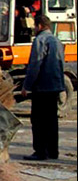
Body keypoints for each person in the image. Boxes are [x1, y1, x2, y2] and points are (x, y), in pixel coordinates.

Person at [20, 16, 65, 161]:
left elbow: (35, 65)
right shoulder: (56, 40)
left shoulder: (40, 40)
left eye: (34, 26)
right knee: (52, 120)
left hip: (42, 87)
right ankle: (53, 151)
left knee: (38, 121)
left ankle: (40, 152)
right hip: (54, 86)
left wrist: (27, 86)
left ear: (39, 26)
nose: (33, 29)